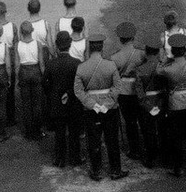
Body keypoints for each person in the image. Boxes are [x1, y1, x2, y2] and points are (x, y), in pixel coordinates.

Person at [74, 33, 128, 181]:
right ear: (102, 47)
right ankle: (115, 170)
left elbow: (78, 91)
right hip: (110, 108)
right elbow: (118, 86)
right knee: (112, 139)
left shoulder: (81, 68)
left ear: (89, 48)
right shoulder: (110, 65)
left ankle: (96, 171)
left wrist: (93, 105)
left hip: (91, 109)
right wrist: (107, 104)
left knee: (93, 140)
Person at [158, 33, 186, 176]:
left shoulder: (168, 69)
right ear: (184, 50)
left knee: (176, 136)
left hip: (175, 103)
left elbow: (159, 68)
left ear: (172, 51)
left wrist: (168, 57)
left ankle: (179, 167)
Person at [44, 31, 82, 167]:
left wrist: (53, 95)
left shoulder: (50, 64)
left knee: (59, 132)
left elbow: (45, 83)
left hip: (56, 103)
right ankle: (75, 158)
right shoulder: (76, 63)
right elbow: (79, 85)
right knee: (74, 132)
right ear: (70, 45)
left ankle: (59, 159)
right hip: (72, 103)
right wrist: (70, 93)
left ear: (56, 46)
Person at [111, 21, 144, 159]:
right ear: (133, 37)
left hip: (124, 92)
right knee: (142, 119)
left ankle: (134, 150)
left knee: (129, 122)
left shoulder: (114, 57)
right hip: (139, 90)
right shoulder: (142, 54)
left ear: (120, 39)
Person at [15, 21, 45, 140]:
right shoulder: (37, 44)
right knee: (37, 103)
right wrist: (43, 76)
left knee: (26, 104)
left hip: (23, 71)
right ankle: (38, 131)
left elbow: (17, 64)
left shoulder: (18, 45)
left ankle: (28, 132)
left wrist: (17, 78)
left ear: (21, 32)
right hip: (35, 71)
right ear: (32, 31)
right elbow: (41, 62)